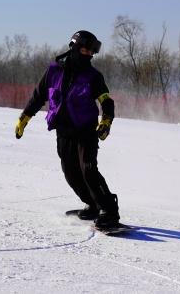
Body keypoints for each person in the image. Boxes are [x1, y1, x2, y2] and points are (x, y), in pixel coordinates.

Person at [14, 30, 120, 228]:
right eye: (86, 50)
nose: (89, 55)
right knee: (71, 173)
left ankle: (109, 211)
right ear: (74, 47)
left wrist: (106, 120)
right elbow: (38, 96)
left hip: (86, 130)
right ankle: (92, 205)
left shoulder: (93, 76)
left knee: (88, 169)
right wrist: (25, 117)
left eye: (92, 52)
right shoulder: (53, 71)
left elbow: (106, 100)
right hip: (63, 131)